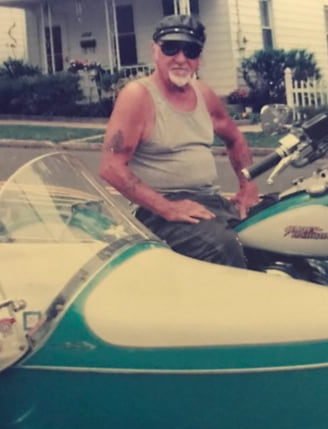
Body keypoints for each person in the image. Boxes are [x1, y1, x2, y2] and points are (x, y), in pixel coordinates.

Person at [99, 14, 259, 268]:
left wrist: (247, 187)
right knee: (224, 247)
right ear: (155, 50)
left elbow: (235, 138)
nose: (181, 58)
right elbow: (111, 167)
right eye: (171, 48)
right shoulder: (137, 96)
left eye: (191, 50)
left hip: (210, 201)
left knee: (272, 228)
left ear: (199, 57)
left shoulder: (203, 92)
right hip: (156, 211)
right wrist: (167, 208)